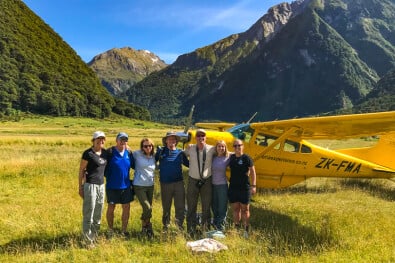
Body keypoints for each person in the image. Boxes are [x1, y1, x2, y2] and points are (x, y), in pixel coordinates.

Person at [78, 131, 108, 248]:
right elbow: (81, 170)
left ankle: (94, 238)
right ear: (93, 140)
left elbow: (118, 149)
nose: (101, 141)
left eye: (102, 139)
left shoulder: (105, 153)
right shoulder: (88, 153)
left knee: (98, 214)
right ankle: (87, 241)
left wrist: (127, 147)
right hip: (90, 185)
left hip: (101, 185)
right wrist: (80, 187)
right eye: (98, 139)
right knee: (88, 213)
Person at [155, 131, 189, 231]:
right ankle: (166, 226)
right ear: (166, 141)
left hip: (179, 183)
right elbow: (151, 161)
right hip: (165, 183)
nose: (172, 141)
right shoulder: (161, 151)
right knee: (166, 206)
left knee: (180, 206)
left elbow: (189, 164)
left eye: (174, 139)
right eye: (169, 139)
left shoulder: (180, 153)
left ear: (176, 141)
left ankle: (179, 225)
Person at [184, 129, 215, 236]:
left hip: (206, 181)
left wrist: (240, 153)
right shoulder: (190, 148)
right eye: (198, 135)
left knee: (206, 207)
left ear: (206, 138)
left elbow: (225, 153)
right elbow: (179, 153)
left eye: (203, 136)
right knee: (191, 206)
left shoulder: (212, 149)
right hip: (193, 180)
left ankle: (206, 230)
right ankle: (190, 230)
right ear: (195, 137)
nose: (201, 137)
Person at [105, 132, 134, 238]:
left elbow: (135, 165)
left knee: (126, 208)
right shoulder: (110, 152)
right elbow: (102, 166)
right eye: (121, 139)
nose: (123, 142)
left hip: (126, 186)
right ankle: (110, 230)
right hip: (112, 186)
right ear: (116, 140)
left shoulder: (129, 153)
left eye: (125, 140)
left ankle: (124, 231)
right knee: (111, 207)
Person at [228, 139, 256, 238]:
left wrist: (253, 186)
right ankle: (236, 227)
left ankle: (246, 230)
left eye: (239, 145)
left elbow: (252, 172)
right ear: (233, 148)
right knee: (235, 209)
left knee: (245, 209)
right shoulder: (231, 157)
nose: (237, 147)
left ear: (242, 146)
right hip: (233, 187)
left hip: (244, 188)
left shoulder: (247, 158)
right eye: (235, 146)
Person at [132, 138, 156, 238]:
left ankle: (146, 230)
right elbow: (126, 151)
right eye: (145, 146)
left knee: (148, 208)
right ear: (142, 147)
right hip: (139, 185)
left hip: (150, 185)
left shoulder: (154, 156)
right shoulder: (136, 154)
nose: (148, 148)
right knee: (147, 207)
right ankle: (146, 225)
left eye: (150, 146)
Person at [211, 140, 231, 232]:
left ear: (225, 148)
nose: (221, 148)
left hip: (222, 185)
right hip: (212, 185)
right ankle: (215, 224)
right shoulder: (212, 157)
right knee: (214, 206)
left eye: (223, 146)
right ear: (216, 148)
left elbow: (238, 153)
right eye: (219, 146)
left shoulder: (228, 157)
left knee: (222, 207)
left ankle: (221, 227)